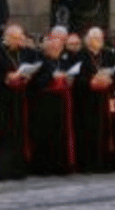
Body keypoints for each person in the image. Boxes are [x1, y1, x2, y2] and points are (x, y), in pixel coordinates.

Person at [0, 25, 40, 179]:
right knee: (4, 133)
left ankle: (18, 168)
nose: (19, 41)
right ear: (8, 37)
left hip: (19, 97)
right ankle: (3, 170)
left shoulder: (23, 52)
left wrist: (27, 76)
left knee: (18, 133)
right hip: (3, 99)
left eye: (20, 38)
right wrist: (6, 77)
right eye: (16, 38)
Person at [73, 27, 115, 173]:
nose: (98, 40)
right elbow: (75, 77)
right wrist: (90, 81)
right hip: (87, 101)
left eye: (100, 38)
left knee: (105, 131)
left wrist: (110, 80)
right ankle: (88, 164)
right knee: (88, 131)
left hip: (104, 98)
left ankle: (104, 163)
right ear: (88, 40)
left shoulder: (108, 55)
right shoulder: (79, 55)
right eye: (94, 38)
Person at [31, 36, 77, 175]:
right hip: (44, 103)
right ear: (46, 48)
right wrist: (52, 77)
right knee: (45, 135)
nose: (55, 50)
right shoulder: (40, 61)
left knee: (60, 134)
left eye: (58, 48)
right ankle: (45, 167)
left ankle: (60, 165)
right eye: (52, 47)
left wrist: (68, 78)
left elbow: (70, 78)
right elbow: (35, 82)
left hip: (61, 102)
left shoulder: (63, 61)